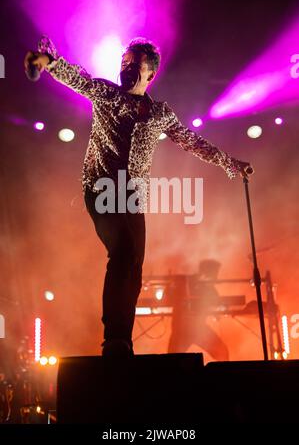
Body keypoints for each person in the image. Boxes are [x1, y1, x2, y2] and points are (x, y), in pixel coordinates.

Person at [24, 36, 253, 357]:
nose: (126, 69)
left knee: (134, 267)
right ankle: (113, 338)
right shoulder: (106, 94)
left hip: (132, 196)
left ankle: (123, 342)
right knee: (124, 251)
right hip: (100, 187)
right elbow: (79, 79)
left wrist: (231, 163)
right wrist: (50, 62)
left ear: (151, 73)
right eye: (124, 64)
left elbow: (192, 141)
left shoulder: (160, 113)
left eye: (134, 65)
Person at [168, 259, 229, 361]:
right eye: (214, 273)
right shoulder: (186, 282)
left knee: (221, 351)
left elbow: (215, 302)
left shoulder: (209, 288)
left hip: (197, 329)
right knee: (172, 360)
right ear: (207, 272)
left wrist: (218, 310)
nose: (216, 277)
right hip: (183, 329)